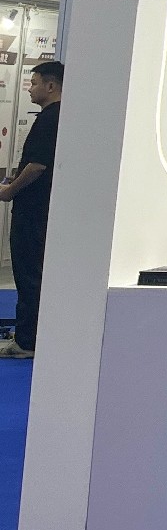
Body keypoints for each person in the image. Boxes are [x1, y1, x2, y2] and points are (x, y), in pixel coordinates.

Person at [0, 62, 61, 359]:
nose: (30, 88)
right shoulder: (57, 117)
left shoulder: (50, 118)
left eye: (34, 82)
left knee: (28, 274)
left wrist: (10, 190)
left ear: (50, 85)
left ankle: (27, 341)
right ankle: (32, 335)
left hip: (33, 211)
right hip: (41, 209)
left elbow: (37, 165)